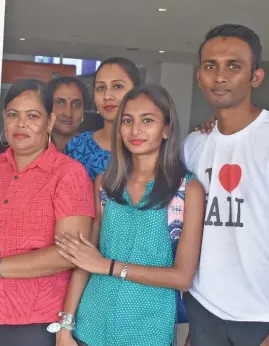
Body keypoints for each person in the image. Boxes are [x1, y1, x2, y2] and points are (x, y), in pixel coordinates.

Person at [182, 24, 269, 346]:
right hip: (203, 307)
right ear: (199, 76)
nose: (220, 77)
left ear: (255, 77)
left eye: (234, 66)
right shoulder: (192, 144)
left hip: (263, 315)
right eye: (211, 66)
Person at [54, 84, 205, 346]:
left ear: (166, 129)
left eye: (147, 120)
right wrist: (65, 326)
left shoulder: (186, 189)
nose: (135, 130)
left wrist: (108, 267)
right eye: (127, 121)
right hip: (91, 325)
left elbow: (182, 277)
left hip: (148, 331)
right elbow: (84, 259)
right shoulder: (105, 183)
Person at [0, 79, 95, 346]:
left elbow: (70, 254)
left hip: (37, 320)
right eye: (13, 115)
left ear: (49, 121)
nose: (21, 124)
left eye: (33, 116)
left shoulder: (69, 174)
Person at [65, 57, 140, 180]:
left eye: (117, 86)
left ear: (136, 91)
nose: (107, 96)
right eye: (100, 88)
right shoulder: (77, 147)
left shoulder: (146, 147)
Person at [46, 77, 90, 152]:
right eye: (60, 103)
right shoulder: (30, 145)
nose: (68, 114)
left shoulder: (92, 150)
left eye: (76, 104)